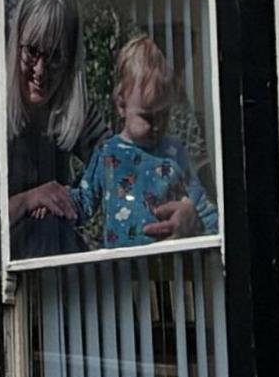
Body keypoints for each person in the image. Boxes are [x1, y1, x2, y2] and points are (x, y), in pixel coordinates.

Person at [76, 32, 214, 248]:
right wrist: (56, 205)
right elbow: (83, 202)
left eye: (164, 114)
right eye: (148, 116)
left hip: (170, 266)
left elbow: (201, 206)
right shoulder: (107, 153)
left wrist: (218, 235)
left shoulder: (174, 153)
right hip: (121, 270)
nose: (158, 124)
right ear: (121, 106)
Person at [2, 0, 88, 261]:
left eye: (54, 58)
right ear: (16, 45)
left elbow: (120, 163)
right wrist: (29, 200)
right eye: (32, 52)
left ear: (69, 60)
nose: (40, 70)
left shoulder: (73, 111)